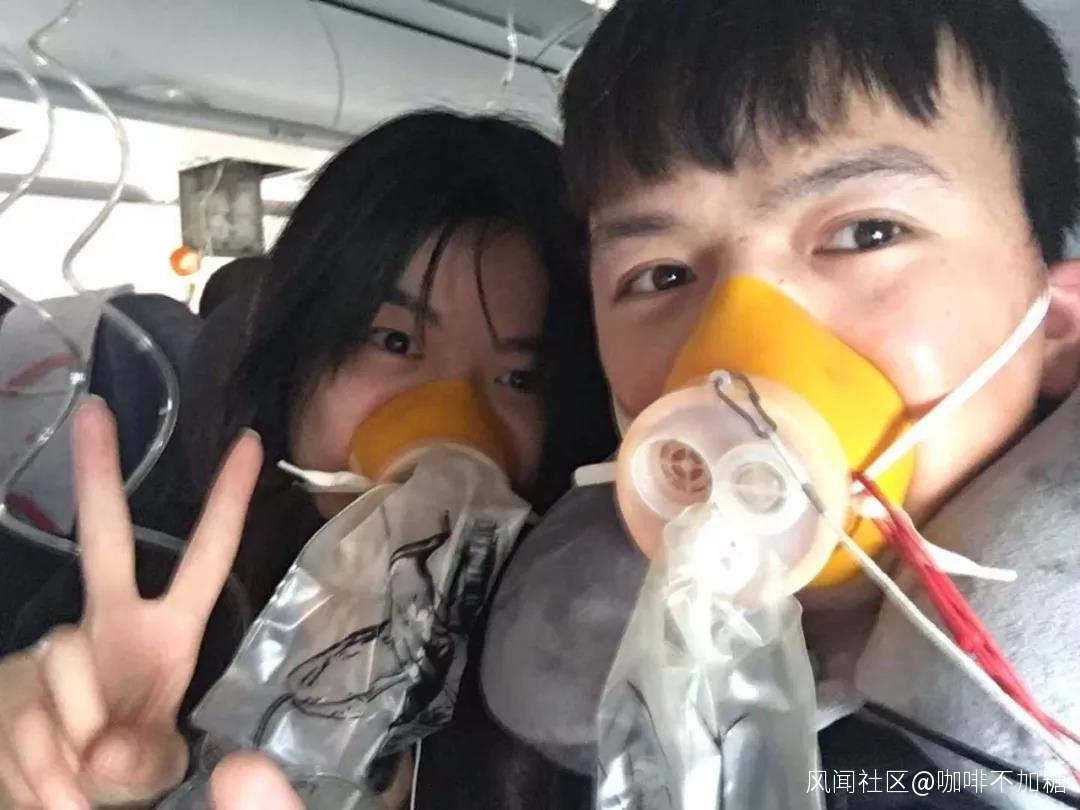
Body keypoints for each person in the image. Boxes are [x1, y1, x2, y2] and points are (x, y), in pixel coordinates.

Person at [475, 1, 1080, 808]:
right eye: (660, 276)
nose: (730, 356)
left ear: (1056, 328)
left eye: (867, 233)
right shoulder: (573, 738)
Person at [0, 110, 616, 809]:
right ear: (297, 360)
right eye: (393, 341)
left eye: (519, 378)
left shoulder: (587, 664)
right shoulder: (134, 598)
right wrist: (57, 781)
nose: (452, 426)